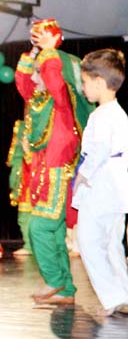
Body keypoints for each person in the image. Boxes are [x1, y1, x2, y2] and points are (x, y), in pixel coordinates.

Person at [15, 20, 92, 307]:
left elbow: (55, 80)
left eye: (40, 73)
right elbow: (24, 84)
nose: (35, 78)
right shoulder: (37, 100)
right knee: (55, 231)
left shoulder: (61, 104)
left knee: (40, 228)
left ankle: (55, 279)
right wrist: (34, 53)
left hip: (58, 167)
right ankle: (66, 289)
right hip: (41, 169)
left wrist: (47, 53)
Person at [72, 49, 128, 316]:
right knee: (111, 244)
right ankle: (121, 292)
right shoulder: (119, 113)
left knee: (89, 242)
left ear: (99, 82)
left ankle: (112, 296)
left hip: (100, 189)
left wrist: (82, 178)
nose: (83, 87)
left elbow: (97, 152)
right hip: (116, 189)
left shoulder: (101, 115)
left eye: (85, 82)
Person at [6, 119, 33, 258]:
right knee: (23, 216)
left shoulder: (43, 129)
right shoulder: (23, 127)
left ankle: (33, 246)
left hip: (36, 177)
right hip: (24, 176)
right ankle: (29, 245)